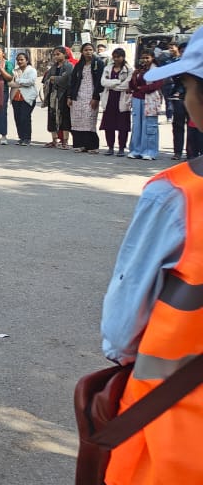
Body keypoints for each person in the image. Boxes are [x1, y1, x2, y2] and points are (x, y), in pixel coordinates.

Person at [98, 30, 203, 485]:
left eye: (186, 88)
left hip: (179, 433)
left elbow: (122, 326)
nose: (183, 99)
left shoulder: (178, 195)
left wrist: (120, 354)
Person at [127, 50, 165, 161]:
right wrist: (134, 76)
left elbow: (157, 84)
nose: (145, 60)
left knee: (149, 125)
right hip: (137, 99)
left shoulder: (157, 70)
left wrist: (142, 89)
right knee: (137, 125)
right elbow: (132, 85)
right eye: (143, 58)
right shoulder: (139, 70)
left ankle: (150, 151)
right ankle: (136, 150)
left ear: (152, 58)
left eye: (147, 57)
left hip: (151, 99)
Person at [67, 42, 104, 153]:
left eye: (90, 50)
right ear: (82, 52)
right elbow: (72, 81)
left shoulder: (98, 63)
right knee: (77, 120)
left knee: (89, 120)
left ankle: (92, 146)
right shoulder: (79, 65)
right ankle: (79, 144)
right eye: (86, 50)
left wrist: (96, 97)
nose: (88, 52)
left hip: (91, 95)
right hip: (78, 95)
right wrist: (70, 96)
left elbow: (100, 82)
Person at [99, 47, 133, 157]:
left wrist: (113, 85)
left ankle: (122, 148)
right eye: (114, 57)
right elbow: (103, 82)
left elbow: (127, 85)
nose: (116, 59)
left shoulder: (129, 69)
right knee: (109, 125)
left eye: (119, 57)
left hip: (122, 99)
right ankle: (110, 147)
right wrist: (117, 82)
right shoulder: (108, 68)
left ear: (123, 57)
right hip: (109, 99)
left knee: (122, 126)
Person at [43, 47, 74, 149]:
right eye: (55, 54)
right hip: (53, 95)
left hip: (64, 94)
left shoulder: (69, 66)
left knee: (64, 117)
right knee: (52, 117)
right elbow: (47, 78)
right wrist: (52, 79)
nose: (56, 56)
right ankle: (54, 140)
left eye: (58, 54)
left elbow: (66, 80)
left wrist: (54, 78)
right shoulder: (53, 67)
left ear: (65, 54)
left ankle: (65, 141)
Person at [165, 41, 190, 160]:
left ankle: (191, 153)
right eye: (182, 51)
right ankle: (177, 152)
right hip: (179, 98)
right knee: (178, 125)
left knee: (193, 127)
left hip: (193, 98)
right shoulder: (176, 64)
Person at [8, 52, 38, 146]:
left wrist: (18, 81)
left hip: (28, 98)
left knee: (25, 118)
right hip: (16, 98)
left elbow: (31, 81)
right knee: (18, 118)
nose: (19, 61)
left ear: (27, 60)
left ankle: (27, 138)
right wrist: (21, 83)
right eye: (18, 60)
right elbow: (9, 83)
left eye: (22, 59)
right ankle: (21, 137)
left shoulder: (31, 71)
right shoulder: (14, 71)